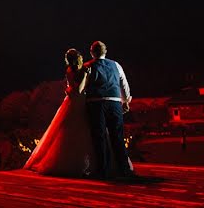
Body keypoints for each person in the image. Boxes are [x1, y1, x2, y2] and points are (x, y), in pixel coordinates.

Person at [24, 49, 95, 176]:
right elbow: (78, 90)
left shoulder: (79, 69)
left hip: (81, 101)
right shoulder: (71, 71)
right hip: (76, 103)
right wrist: (85, 76)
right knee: (72, 132)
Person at [84, 40, 136, 180]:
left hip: (96, 103)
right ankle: (123, 169)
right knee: (117, 136)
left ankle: (103, 170)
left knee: (99, 137)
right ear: (105, 51)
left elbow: (83, 87)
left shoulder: (88, 66)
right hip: (114, 102)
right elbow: (123, 83)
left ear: (92, 52)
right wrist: (126, 101)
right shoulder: (116, 65)